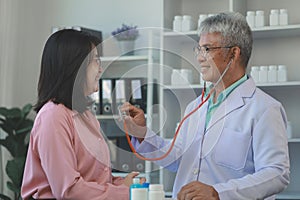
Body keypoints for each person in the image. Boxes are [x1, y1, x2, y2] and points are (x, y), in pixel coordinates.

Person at [121, 12, 290, 200]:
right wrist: (143, 134)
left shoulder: (264, 108)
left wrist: (219, 193)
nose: (200, 58)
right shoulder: (196, 106)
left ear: (233, 54)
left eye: (207, 49)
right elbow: (178, 157)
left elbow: (276, 173)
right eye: (199, 49)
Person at [21, 29, 143, 200]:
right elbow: (68, 190)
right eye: (95, 62)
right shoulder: (53, 117)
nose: (101, 69)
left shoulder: (85, 115)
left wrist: (121, 183)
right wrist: (124, 192)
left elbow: (93, 179)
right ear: (74, 66)